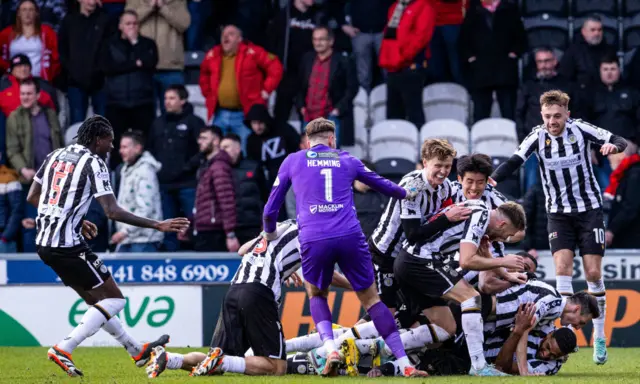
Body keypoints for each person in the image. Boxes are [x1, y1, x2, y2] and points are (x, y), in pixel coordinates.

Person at [261, 117, 430, 377]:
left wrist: (271, 234)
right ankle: (406, 364)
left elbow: (270, 208)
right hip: (350, 235)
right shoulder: (347, 159)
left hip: (314, 238)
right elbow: (384, 186)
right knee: (372, 300)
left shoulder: (293, 160)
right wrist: (408, 193)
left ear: (308, 142)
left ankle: (330, 349)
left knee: (317, 294)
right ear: (331, 139)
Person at [26, 115, 189, 376]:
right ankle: (63, 348)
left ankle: (135, 349)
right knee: (114, 299)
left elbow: (34, 196)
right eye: (110, 142)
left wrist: (77, 221)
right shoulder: (94, 162)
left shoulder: (54, 155)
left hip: (44, 244)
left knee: (97, 303)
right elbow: (112, 211)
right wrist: (157, 225)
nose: (112, 147)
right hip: (67, 246)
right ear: (97, 139)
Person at [490, 90, 628, 365]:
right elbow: (514, 162)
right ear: (542, 115)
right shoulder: (536, 136)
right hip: (558, 214)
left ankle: (599, 335)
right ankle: (563, 331)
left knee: (592, 272)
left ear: (567, 112)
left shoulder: (580, 129)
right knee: (563, 269)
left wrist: (614, 146)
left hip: (588, 210)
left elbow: (619, 140)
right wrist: (491, 181)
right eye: (547, 116)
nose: (552, 121)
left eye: (557, 116)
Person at [145, 220, 349, 378]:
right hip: (258, 293)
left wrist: (285, 268)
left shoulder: (281, 226)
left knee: (218, 360)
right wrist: (359, 285)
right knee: (277, 366)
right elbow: (327, 275)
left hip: (234, 290)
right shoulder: (312, 236)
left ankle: (170, 358)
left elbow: (242, 250)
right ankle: (220, 362)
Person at [395, 199, 527, 376]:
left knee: (446, 328)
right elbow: (466, 260)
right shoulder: (481, 216)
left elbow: (483, 254)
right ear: (502, 224)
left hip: (407, 260)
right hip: (421, 260)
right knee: (472, 298)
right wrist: (504, 260)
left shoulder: (478, 207)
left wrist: (507, 274)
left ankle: (379, 347)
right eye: (506, 235)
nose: (502, 239)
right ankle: (479, 366)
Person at [369, 139, 466, 313]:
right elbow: (413, 234)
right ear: (425, 163)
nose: (443, 171)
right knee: (387, 315)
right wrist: (447, 218)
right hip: (385, 255)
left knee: (409, 315)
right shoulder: (413, 186)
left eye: (447, 166)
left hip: (409, 259)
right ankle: (342, 339)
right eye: (438, 165)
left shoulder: (445, 187)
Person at [199, 24, 282, 152]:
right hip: (220, 113)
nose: (226, 37)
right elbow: (204, 73)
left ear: (240, 39)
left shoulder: (253, 52)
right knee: (216, 152)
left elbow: (275, 67)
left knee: (245, 151)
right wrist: (208, 93)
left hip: (245, 115)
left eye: (231, 34)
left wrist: (266, 90)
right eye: (223, 35)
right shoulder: (213, 54)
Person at [5, 78, 62, 252]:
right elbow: (12, 150)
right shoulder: (14, 118)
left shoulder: (50, 114)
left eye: (29, 94)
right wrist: (23, 169)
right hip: (30, 183)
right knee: (31, 226)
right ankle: (32, 269)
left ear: (38, 95)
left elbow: (59, 144)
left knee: (54, 226)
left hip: (53, 182)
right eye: (22, 94)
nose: (25, 97)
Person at [147, 84, 203, 251]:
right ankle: (170, 261)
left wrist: (187, 167)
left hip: (188, 183)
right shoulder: (157, 123)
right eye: (165, 98)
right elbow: (150, 150)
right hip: (164, 185)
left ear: (183, 100)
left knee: (194, 223)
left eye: (172, 98)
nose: (167, 102)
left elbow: (202, 150)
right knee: (168, 227)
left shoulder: (195, 122)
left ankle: (199, 258)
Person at [102, 9, 158, 167]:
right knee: (116, 148)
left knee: (144, 145)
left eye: (135, 23)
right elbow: (108, 67)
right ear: (120, 26)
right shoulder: (110, 44)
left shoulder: (147, 44)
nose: (131, 27)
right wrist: (135, 63)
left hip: (142, 103)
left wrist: (135, 43)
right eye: (128, 23)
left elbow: (150, 63)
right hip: (116, 103)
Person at [297, 25, 358, 147]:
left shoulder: (343, 61)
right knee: (310, 156)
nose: (317, 43)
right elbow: (299, 85)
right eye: (315, 39)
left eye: (321, 39)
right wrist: (301, 106)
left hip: (331, 116)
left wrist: (338, 109)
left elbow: (352, 87)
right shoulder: (307, 58)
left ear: (331, 41)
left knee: (331, 157)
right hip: (309, 116)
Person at [379, 0, 435, 128]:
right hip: (393, 67)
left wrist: (403, 57)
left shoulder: (424, 6)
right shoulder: (394, 6)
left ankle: (418, 146)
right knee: (393, 114)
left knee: (414, 113)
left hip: (411, 67)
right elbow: (389, 36)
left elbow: (421, 37)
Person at [127, 0, 190, 114]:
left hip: (171, 67)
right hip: (142, 68)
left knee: (174, 115)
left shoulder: (178, 1)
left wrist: (163, 7)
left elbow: (185, 24)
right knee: (143, 115)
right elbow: (126, 22)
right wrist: (149, 6)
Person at [58, 0, 110, 124]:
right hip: (75, 82)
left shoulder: (105, 20)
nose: (91, 2)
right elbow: (62, 50)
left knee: (102, 124)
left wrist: (101, 71)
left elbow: (108, 49)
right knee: (77, 125)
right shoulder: (69, 21)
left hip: (100, 81)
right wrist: (72, 72)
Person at [112, 129, 164, 252]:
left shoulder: (145, 171)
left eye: (125, 147)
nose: (120, 151)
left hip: (145, 240)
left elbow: (145, 209)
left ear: (138, 148)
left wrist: (124, 232)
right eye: (120, 147)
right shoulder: (126, 169)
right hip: (129, 238)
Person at [193, 125, 238, 252]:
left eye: (204, 138)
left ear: (216, 141)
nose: (199, 142)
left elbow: (227, 201)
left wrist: (230, 234)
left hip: (214, 231)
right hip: (205, 228)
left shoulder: (219, 167)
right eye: (199, 138)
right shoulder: (207, 165)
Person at [244, 103, 300, 202]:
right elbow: (253, 163)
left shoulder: (283, 129)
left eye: (260, 122)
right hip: (267, 180)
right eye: (254, 123)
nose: (257, 127)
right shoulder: (251, 140)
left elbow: (297, 146)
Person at [220, 133, 264, 244]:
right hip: (227, 228)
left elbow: (265, 196)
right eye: (221, 148)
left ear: (237, 148)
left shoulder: (253, 166)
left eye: (226, 147)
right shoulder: (218, 169)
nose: (222, 151)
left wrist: (266, 222)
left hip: (252, 225)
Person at [0, 0, 60, 82]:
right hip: (13, 81)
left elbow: (56, 57)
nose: (27, 13)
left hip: (39, 80)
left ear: (36, 13)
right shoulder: (6, 33)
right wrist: (8, 69)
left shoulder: (47, 32)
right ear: (18, 13)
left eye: (31, 10)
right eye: (24, 10)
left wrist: (50, 75)